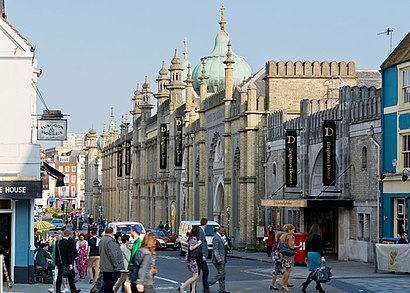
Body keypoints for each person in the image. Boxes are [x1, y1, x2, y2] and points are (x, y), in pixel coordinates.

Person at [99, 226, 125, 293]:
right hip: (111, 267)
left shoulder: (102, 240)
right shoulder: (110, 241)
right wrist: (116, 265)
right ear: (112, 232)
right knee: (110, 282)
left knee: (107, 283)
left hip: (104, 266)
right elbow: (113, 255)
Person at [301, 224, 325, 293]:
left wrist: (306, 256)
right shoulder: (318, 237)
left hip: (310, 254)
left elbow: (306, 248)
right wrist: (322, 256)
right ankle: (306, 284)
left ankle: (318, 287)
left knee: (315, 271)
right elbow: (319, 248)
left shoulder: (309, 237)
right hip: (315, 254)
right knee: (315, 271)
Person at [179, 226, 202, 293]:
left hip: (191, 258)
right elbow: (191, 248)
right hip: (192, 259)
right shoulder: (194, 239)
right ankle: (182, 287)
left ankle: (193, 290)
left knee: (194, 275)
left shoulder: (191, 237)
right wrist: (198, 244)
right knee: (196, 276)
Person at [277, 224, 300, 291]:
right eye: (293, 230)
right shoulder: (289, 236)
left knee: (287, 269)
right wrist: (298, 246)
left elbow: (279, 246)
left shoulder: (282, 235)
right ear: (289, 230)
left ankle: (284, 282)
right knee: (288, 270)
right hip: (287, 255)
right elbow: (291, 247)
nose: (293, 231)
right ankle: (283, 284)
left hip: (283, 254)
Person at [207, 226, 229, 293]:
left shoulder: (222, 238)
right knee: (221, 273)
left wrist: (226, 241)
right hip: (218, 259)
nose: (223, 232)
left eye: (224, 231)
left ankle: (222, 290)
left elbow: (226, 247)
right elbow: (215, 250)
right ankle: (208, 283)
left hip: (223, 258)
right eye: (222, 231)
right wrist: (219, 259)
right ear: (219, 231)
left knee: (223, 274)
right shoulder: (216, 238)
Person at [198, 218, 210, 293]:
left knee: (205, 271)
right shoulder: (200, 231)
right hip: (200, 256)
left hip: (201, 256)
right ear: (206, 224)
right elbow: (200, 244)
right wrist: (203, 255)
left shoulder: (201, 230)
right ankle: (191, 288)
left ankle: (206, 288)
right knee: (197, 274)